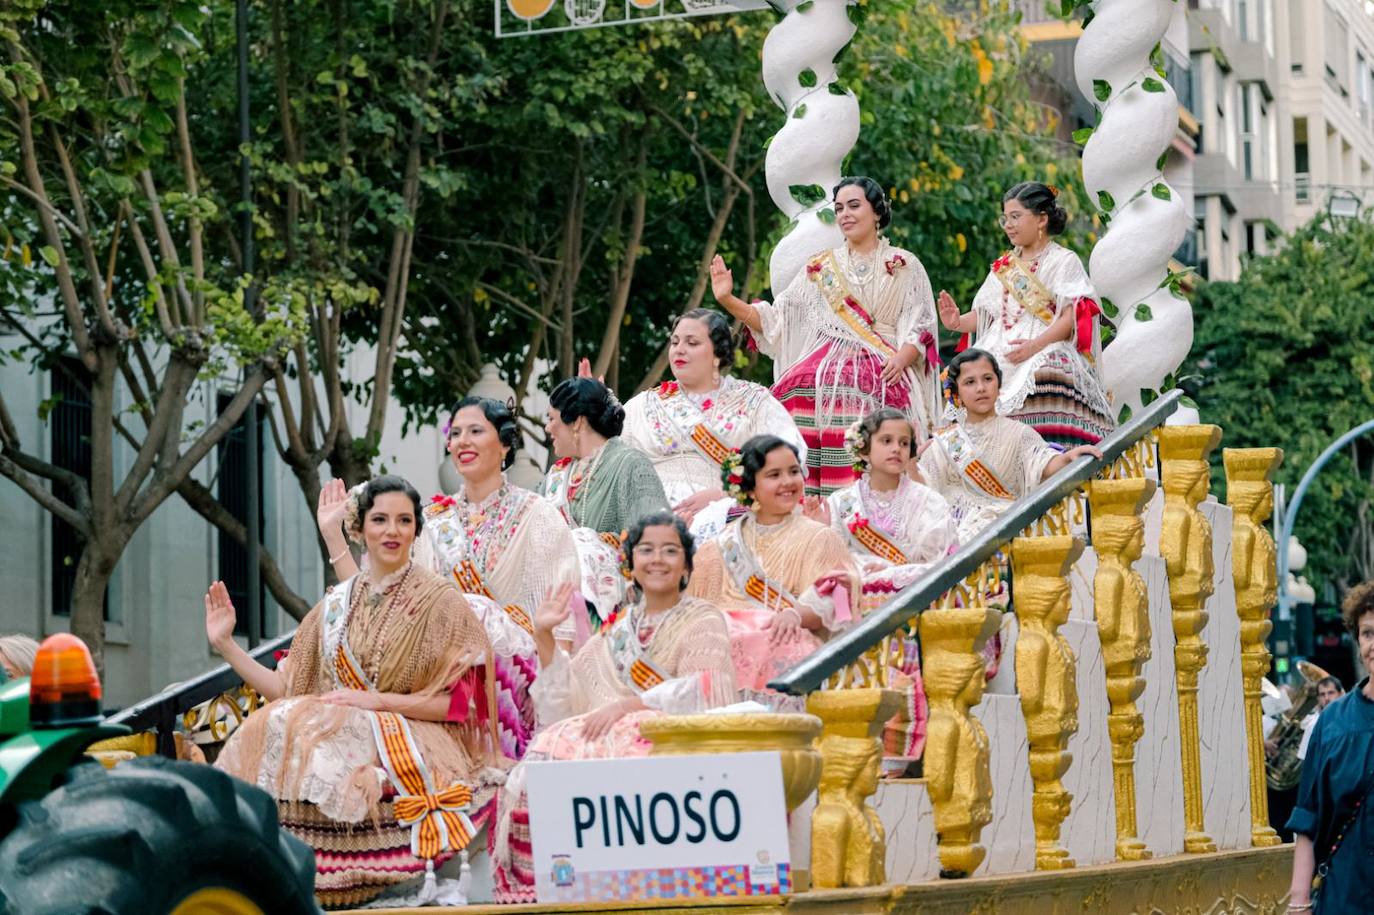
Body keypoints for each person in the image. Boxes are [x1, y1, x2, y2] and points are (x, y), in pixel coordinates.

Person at [211, 476, 504, 909]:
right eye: (380, 520)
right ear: (361, 529)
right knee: (272, 724)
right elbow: (286, 690)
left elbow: (462, 707)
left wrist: (376, 702)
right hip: (342, 722)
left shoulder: (443, 602)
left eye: (404, 520)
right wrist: (227, 646)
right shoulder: (334, 607)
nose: (392, 531)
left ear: (416, 530)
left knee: (318, 730)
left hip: (417, 735)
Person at [491, 512, 736, 903]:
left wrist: (629, 707)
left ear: (687, 565)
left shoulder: (703, 619)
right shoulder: (616, 630)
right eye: (647, 550)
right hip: (607, 742)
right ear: (631, 564)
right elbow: (567, 701)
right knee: (544, 755)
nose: (658, 560)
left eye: (670, 551)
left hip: (668, 747)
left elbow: (705, 690)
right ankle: (546, 887)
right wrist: (544, 637)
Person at [318, 397, 578, 761]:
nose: (462, 441)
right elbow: (376, 605)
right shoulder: (431, 521)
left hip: (512, 687)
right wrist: (333, 537)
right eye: (455, 433)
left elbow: (561, 634)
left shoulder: (539, 517)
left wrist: (554, 704)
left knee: (476, 613)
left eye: (475, 431)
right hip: (437, 683)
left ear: (505, 443)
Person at [710, 176, 942, 495]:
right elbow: (778, 320)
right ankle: (801, 495)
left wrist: (902, 359)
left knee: (854, 386)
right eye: (839, 208)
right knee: (795, 387)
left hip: (889, 362)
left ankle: (863, 496)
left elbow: (921, 323)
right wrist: (727, 299)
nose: (845, 214)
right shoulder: (821, 267)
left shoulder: (905, 264)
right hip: (826, 361)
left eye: (854, 206)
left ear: (877, 211)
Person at [806, 408, 958, 770]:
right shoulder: (841, 503)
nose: (896, 449)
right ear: (864, 447)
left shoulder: (928, 501)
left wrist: (892, 571)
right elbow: (829, 560)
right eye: (886, 441)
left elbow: (942, 562)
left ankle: (896, 744)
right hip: (854, 604)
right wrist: (821, 534)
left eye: (904, 443)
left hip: (907, 602)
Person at [687, 435, 860, 708]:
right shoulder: (718, 547)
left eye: (794, 471)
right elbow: (693, 610)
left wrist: (796, 614)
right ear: (749, 487)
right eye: (774, 475)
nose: (788, 482)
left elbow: (838, 596)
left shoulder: (819, 538)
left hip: (787, 643)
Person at [937, 181, 1114, 446]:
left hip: (1046, 345)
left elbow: (1070, 318)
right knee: (963, 375)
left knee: (1047, 371)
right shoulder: (1005, 265)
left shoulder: (1063, 261)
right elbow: (986, 314)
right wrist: (956, 322)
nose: (1008, 225)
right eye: (1005, 218)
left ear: (1041, 219)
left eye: (1015, 217)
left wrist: (1034, 346)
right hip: (1000, 345)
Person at [622, 308, 807, 540]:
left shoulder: (754, 401)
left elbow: (791, 458)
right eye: (675, 342)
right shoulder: (644, 404)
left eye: (692, 343)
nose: (679, 349)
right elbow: (611, 461)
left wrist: (726, 497)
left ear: (718, 353)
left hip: (727, 516)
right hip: (649, 515)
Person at [919, 348, 1101, 542]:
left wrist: (1068, 458)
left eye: (988, 379)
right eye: (970, 382)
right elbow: (923, 490)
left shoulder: (1019, 433)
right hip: (953, 537)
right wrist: (910, 463)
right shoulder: (945, 441)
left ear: (999, 386)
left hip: (1005, 532)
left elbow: (1041, 464)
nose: (981, 388)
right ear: (956, 394)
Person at [539, 376, 670, 620]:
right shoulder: (556, 476)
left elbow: (655, 537)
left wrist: (594, 545)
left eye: (552, 419)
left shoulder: (630, 464)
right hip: (553, 596)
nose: (548, 428)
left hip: (614, 603)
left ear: (577, 422)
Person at [1286, 580, 1374, 914]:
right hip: (1342, 897)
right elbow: (1308, 814)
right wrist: (1299, 902)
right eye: (1367, 633)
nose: (1373, 644)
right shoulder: (1332, 722)